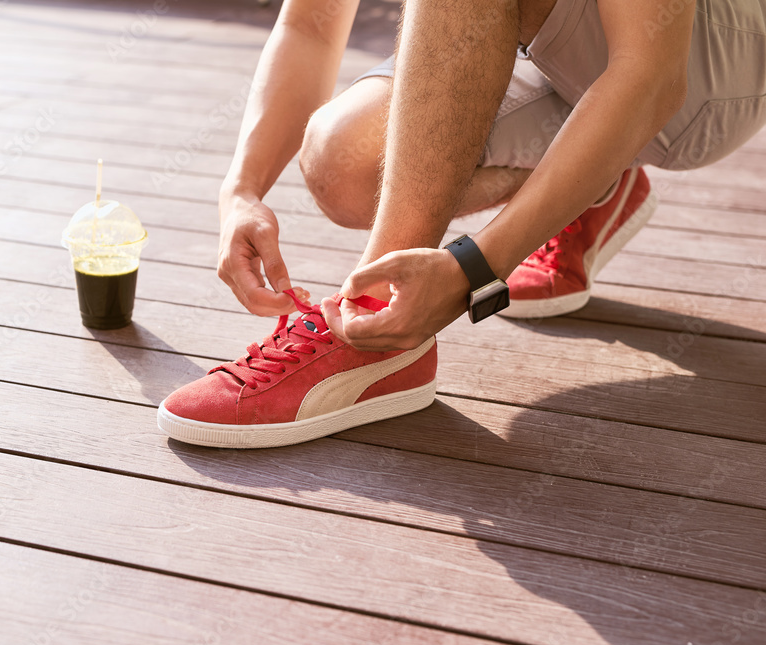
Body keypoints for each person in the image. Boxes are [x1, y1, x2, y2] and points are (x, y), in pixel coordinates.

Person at [157, 0, 766, 448]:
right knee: (344, 164)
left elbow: (652, 74)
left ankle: (375, 332)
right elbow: (310, 25)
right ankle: (594, 179)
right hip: (563, 56)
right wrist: (240, 192)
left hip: (703, 68)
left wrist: (471, 269)